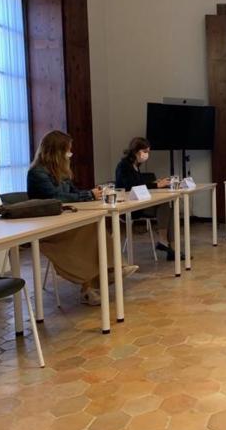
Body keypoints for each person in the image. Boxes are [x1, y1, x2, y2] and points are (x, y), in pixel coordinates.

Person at [28, 130, 138, 306]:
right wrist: (89, 195)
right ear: (57, 151)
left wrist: (93, 193)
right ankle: (96, 281)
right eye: (68, 149)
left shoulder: (61, 171)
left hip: (65, 220)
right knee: (89, 228)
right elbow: (57, 198)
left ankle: (110, 271)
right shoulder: (37, 173)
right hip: (49, 228)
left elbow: (74, 193)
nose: (70, 153)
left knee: (95, 224)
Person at [115, 137, 176, 260]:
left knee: (169, 206)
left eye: (148, 151)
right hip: (129, 206)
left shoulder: (136, 165)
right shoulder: (124, 166)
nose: (146, 154)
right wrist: (156, 185)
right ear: (135, 151)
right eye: (145, 151)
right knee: (165, 206)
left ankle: (170, 246)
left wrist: (155, 183)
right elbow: (131, 187)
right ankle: (166, 243)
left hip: (140, 203)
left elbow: (140, 184)